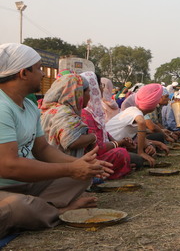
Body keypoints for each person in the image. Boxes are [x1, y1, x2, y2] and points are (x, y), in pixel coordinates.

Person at [0, 43, 113, 237]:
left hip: (26, 183)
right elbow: (8, 166)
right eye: (38, 69)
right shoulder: (2, 107)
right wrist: (70, 168)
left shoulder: (29, 104)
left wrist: (80, 164)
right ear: (23, 73)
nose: (43, 75)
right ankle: (59, 211)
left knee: (82, 176)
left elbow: (42, 149)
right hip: (5, 184)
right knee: (17, 206)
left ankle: (40, 207)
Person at [80, 72, 133, 179]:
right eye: (100, 85)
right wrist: (119, 143)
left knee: (128, 154)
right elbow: (96, 148)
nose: (101, 88)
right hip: (93, 156)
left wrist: (121, 142)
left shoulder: (95, 110)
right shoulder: (86, 113)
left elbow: (104, 132)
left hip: (104, 150)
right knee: (122, 154)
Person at [105, 83, 169, 167]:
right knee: (138, 159)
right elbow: (141, 123)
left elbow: (137, 136)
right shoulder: (134, 111)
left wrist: (153, 144)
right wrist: (141, 152)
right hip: (108, 146)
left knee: (149, 149)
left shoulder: (136, 111)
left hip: (120, 144)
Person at [40, 73, 96, 157]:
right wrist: (92, 137)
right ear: (78, 93)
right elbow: (71, 141)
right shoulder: (63, 112)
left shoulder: (50, 108)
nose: (90, 96)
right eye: (88, 92)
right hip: (61, 166)